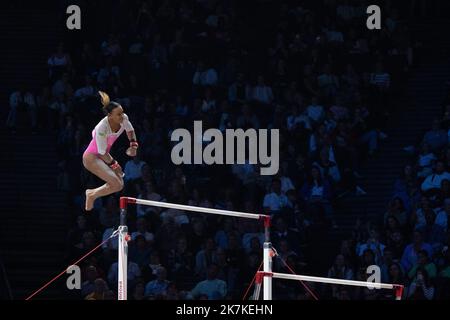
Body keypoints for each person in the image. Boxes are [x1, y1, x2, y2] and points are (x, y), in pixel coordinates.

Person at [82, 91, 139, 211]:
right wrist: (115, 165)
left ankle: (92, 194)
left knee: (119, 185)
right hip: (91, 158)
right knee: (116, 183)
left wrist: (133, 145)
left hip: (103, 156)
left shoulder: (123, 119)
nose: (122, 116)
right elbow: (102, 153)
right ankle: (91, 195)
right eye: (118, 114)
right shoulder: (101, 128)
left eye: (122, 112)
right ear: (109, 116)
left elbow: (130, 130)